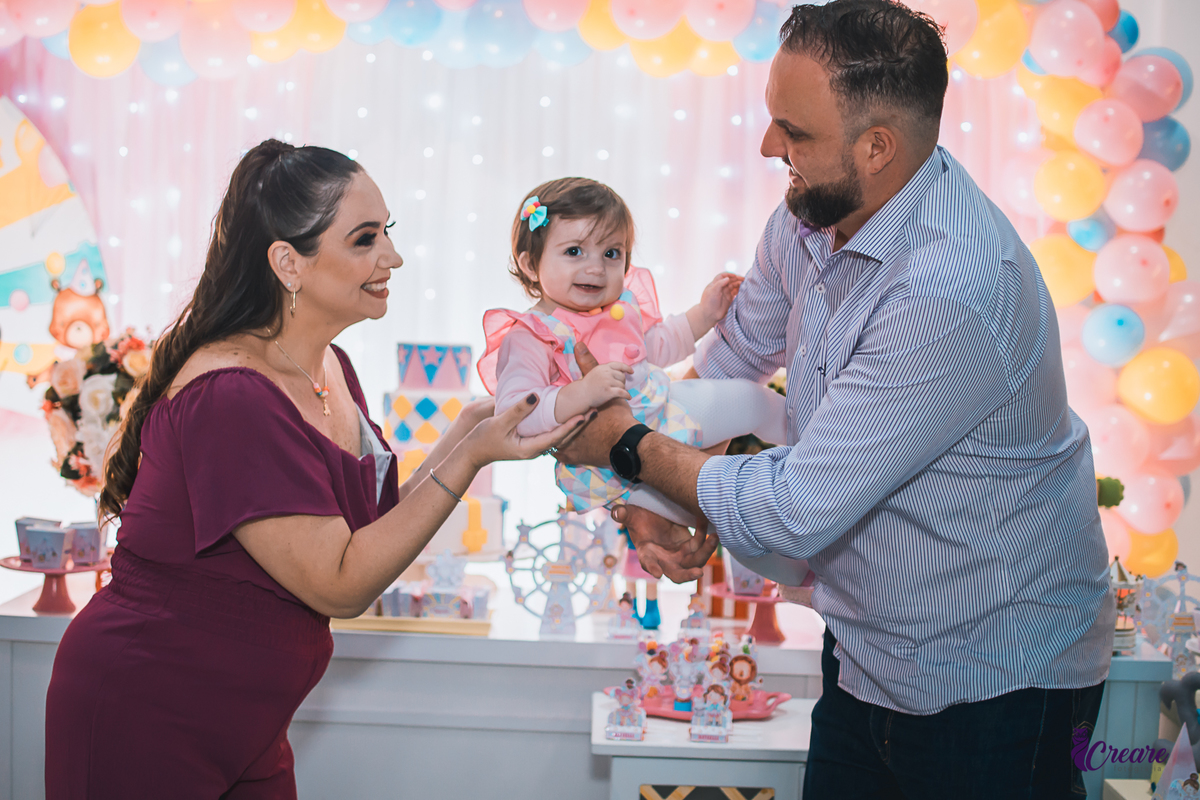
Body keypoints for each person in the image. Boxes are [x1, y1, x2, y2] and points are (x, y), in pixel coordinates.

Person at [555, 1, 1115, 796]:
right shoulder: (809, 220)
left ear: (876, 148)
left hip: (999, 677)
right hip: (864, 651)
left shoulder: (950, 286)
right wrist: (652, 505)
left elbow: (797, 508)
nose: (767, 145)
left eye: (794, 130)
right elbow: (730, 364)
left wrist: (627, 446)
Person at [43, 140, 579, 799]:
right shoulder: (232, 397)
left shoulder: (330, 368)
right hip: (146, 710)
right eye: (365, 239)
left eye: (387, 232)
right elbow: (341, 584)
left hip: (248, 721)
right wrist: (471, 456)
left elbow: (372, 532)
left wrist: (468, 429)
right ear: (287, 263)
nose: (393, 256)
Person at [477, 178, 790, 623]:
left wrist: (703, 314)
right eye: (574, 251)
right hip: (611, 460)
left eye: (612, 253)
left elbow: (657, 346)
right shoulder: (531, 337)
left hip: (664, 414)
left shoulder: (618, 311)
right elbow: (518, 415)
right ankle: (792, 567)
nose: (595, 268)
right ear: (530, 264)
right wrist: (580, 393)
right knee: (725, 505)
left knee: (749, 404)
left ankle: (813, 448)